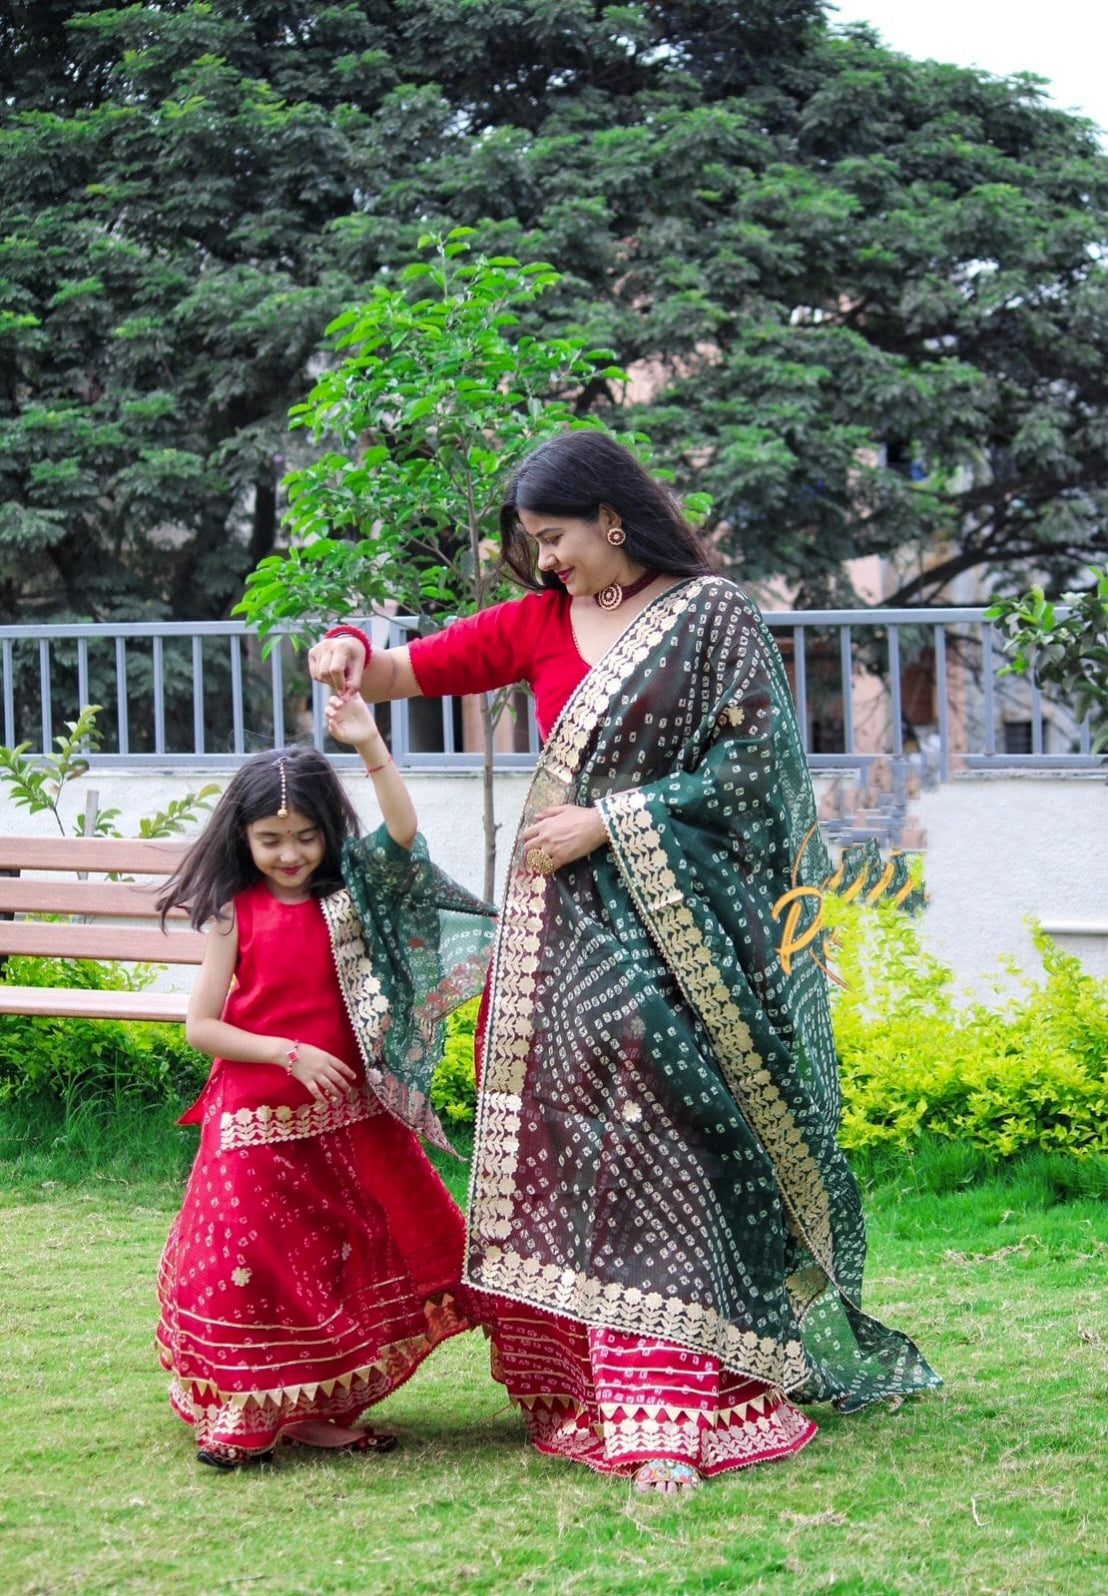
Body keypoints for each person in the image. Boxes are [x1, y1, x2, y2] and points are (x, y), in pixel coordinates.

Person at [308, 429, 940, 1495]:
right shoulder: (540, 622)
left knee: (672, 1129)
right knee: (573, 1137)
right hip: (558, 937)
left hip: (678, 930)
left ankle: (684, 1396)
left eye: (555, 538)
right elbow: (399, 668)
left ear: (612, 516)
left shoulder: (710, 617)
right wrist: (338, 644)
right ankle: (592, 1381)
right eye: (532, 543)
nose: (546, 560)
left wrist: (612, 819)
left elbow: (753, 772)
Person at [155, 697, 494, 1469]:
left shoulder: (352, 897)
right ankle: (243, 1414)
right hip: (254, 1118)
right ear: (242, 837)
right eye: (270, 839)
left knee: (348, 1260)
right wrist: (284, 1053)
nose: (289, 854)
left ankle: (312, 1412)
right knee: (248, 1267)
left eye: (306, 837)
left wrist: (370, 741)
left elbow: (403, 835)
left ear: (328, 834)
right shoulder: (231, 913)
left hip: (349, 1119)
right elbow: (201, 1027)